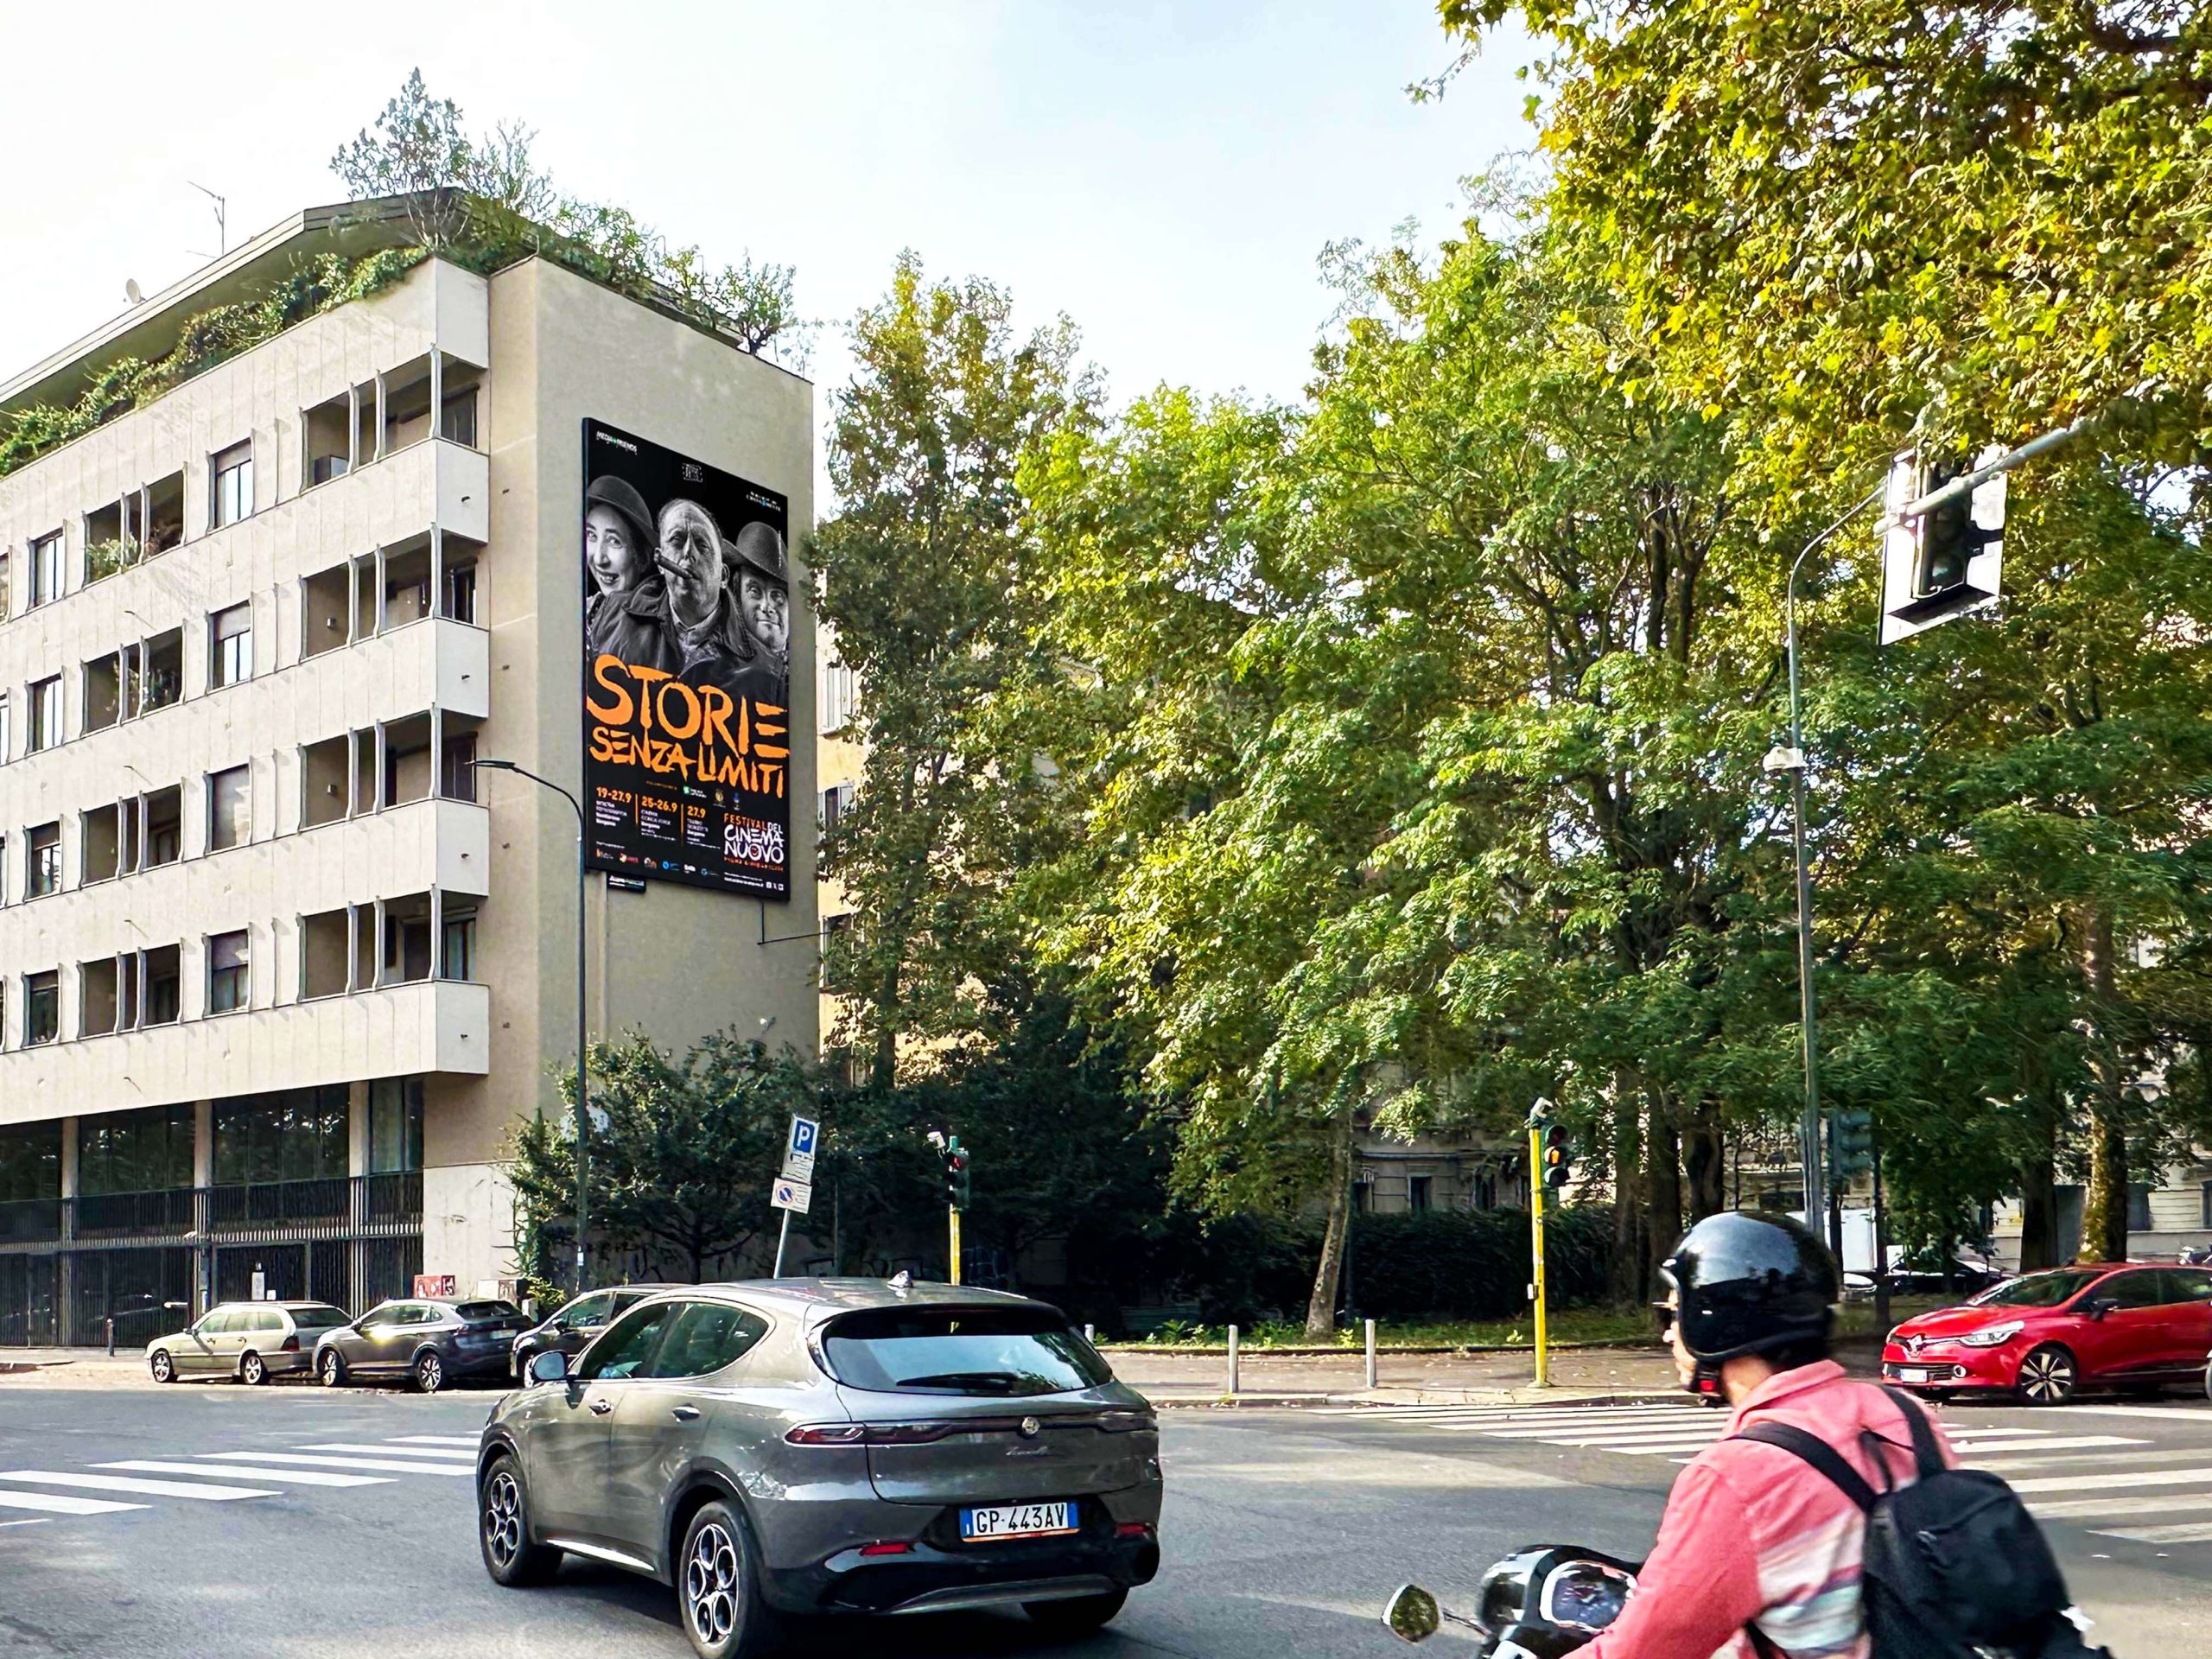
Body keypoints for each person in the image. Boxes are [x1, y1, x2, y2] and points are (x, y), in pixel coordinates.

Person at [1579, 1211, 1958, 1659]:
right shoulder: (1905, 1415)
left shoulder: (1735, 1476)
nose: (1667, 1334)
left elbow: (1645, 1647)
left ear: (1713, 1320)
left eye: (1675, 1313)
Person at [654, 497, 778, 709]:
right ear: (661, 560)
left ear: (723, 576)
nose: (688, 553)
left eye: (702, 545)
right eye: (676, 540)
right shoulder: (611, 618)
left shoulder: (769, 672)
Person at [583, 474, 679, 675]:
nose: (599, 558)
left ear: (642, 557)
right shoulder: (581, 610)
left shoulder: (664, 629)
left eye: (614, 541)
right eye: (591, 535)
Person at [729, 519, 791, 707]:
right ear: (737, 599)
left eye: (777, 595)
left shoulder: (805, 674)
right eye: (755, 591)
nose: (767, 606)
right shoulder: (720, 670)